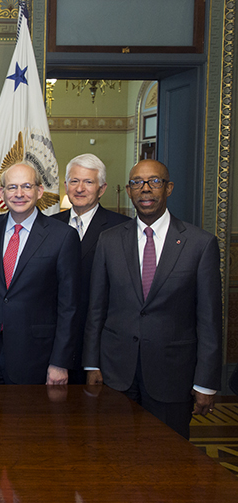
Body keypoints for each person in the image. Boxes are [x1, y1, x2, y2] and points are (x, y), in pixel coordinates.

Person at [83, 159, 222, 438]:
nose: (145, 189)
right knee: (114, 455)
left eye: (154, 181)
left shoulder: (200, 244)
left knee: (168, 461)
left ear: (168, 188)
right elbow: (96, 307)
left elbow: (209, 319)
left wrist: (205, 383)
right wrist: (91, 363)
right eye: (137, 183)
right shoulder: (109, 241)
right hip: (116, 373)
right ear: (128, 191)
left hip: (172, 376)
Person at [0, 162, 81, 385]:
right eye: (12, 187)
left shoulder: (63, 237)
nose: (19, 194)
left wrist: (60, 362)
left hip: (35, 356)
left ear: (39, 191)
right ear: (2, 193)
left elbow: (69, 305)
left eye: (26, 186)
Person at [53, 154, 130, 383]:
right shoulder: (50, 226)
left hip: (99, 343)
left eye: (88, 182)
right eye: (74, 181)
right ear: (66, 185)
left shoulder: (122, 229)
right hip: (54, 340)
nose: (80, 188)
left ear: (102, 188)